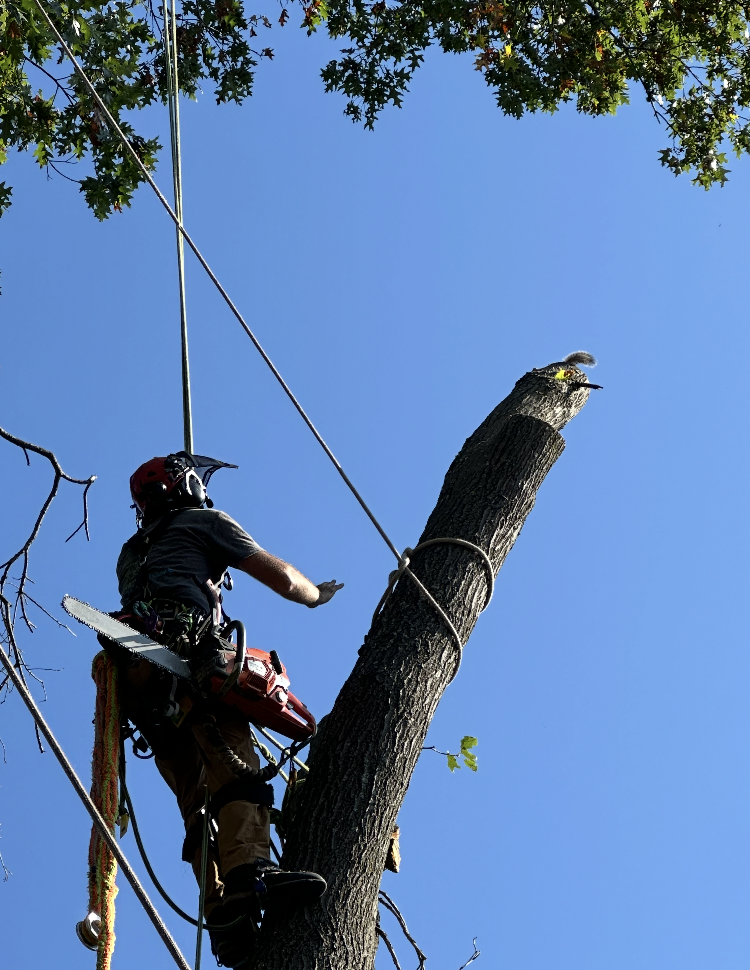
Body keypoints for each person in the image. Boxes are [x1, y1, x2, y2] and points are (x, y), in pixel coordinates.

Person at [113, 451, 342, 969]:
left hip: (145, 688)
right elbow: (281, 577)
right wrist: (315, 595)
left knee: (197, 805)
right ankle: (250, 876)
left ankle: (225, 915)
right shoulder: (205, 521)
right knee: (237, 773)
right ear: (185, 485)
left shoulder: (131, 553)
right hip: (189, 663)